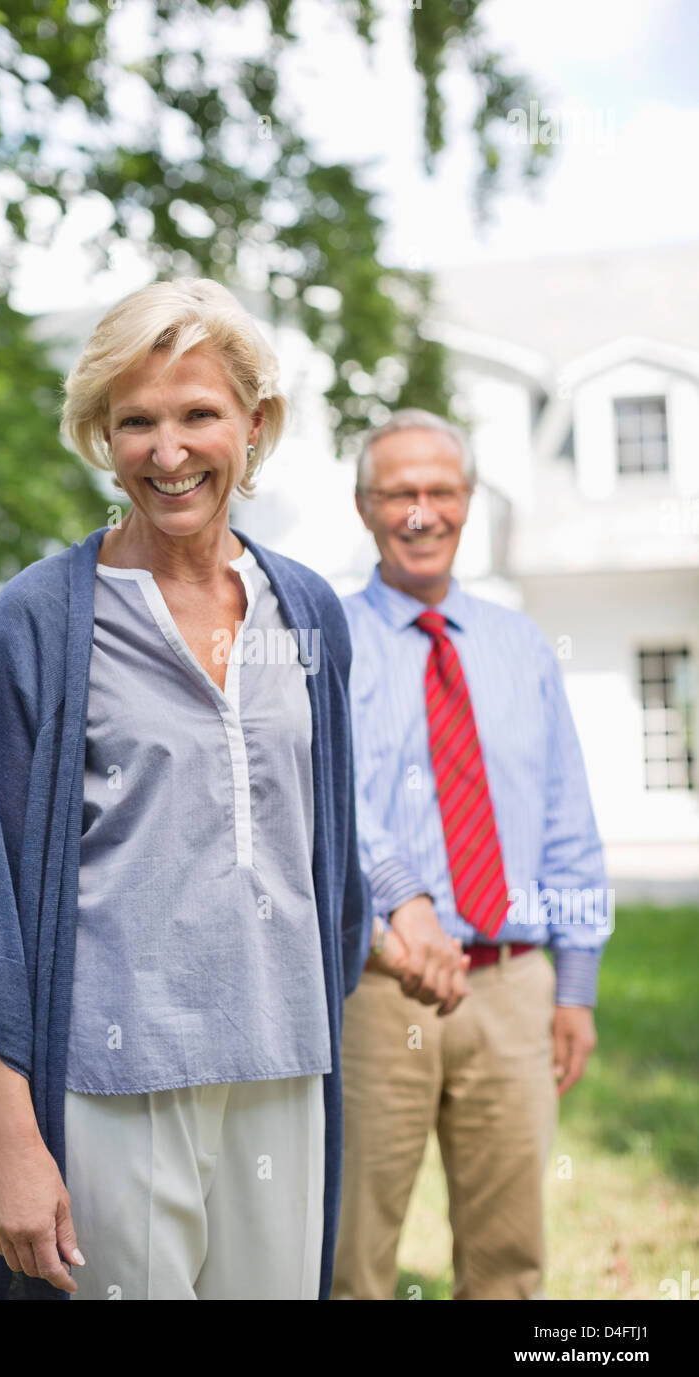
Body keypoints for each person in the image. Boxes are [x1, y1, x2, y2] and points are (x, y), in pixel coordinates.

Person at [0, 275, 408, 1301]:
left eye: (199, 413)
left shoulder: (307, 611)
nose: (169, 450)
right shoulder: (40, 622)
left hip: (285, 1063)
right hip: (114, 1079)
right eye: (134, 421)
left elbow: (320, 832)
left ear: (254, 422)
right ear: (100, 438)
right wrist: (9, 1135)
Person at [332, 408, 610, 1301]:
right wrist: (399, 899)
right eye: (399, 493)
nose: (422, 511)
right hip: (378, 990)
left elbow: (567, 818)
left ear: (469, 501)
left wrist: (574, 986)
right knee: (348, 1253)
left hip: (513, 988)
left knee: (510, 1262)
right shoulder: (325, 643)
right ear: (365, 507)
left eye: (440, 491)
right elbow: (327, 800)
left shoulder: (521, 645)